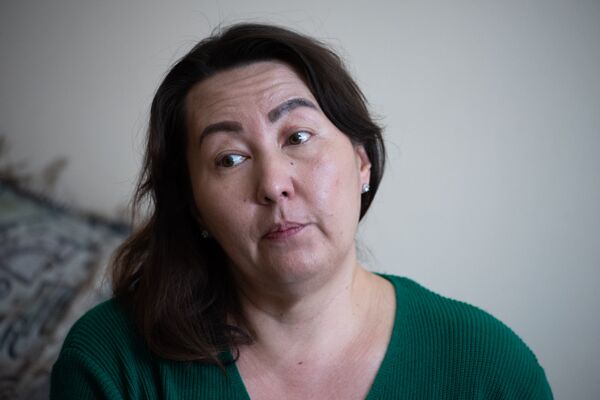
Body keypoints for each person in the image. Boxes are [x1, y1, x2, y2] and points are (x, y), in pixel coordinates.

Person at [50, 23, 553, 399]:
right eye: (229, 159)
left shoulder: (488, 366)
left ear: (361, 161)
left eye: (298, 136)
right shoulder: (110, 361)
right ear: (194, 207)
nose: (273, 184)